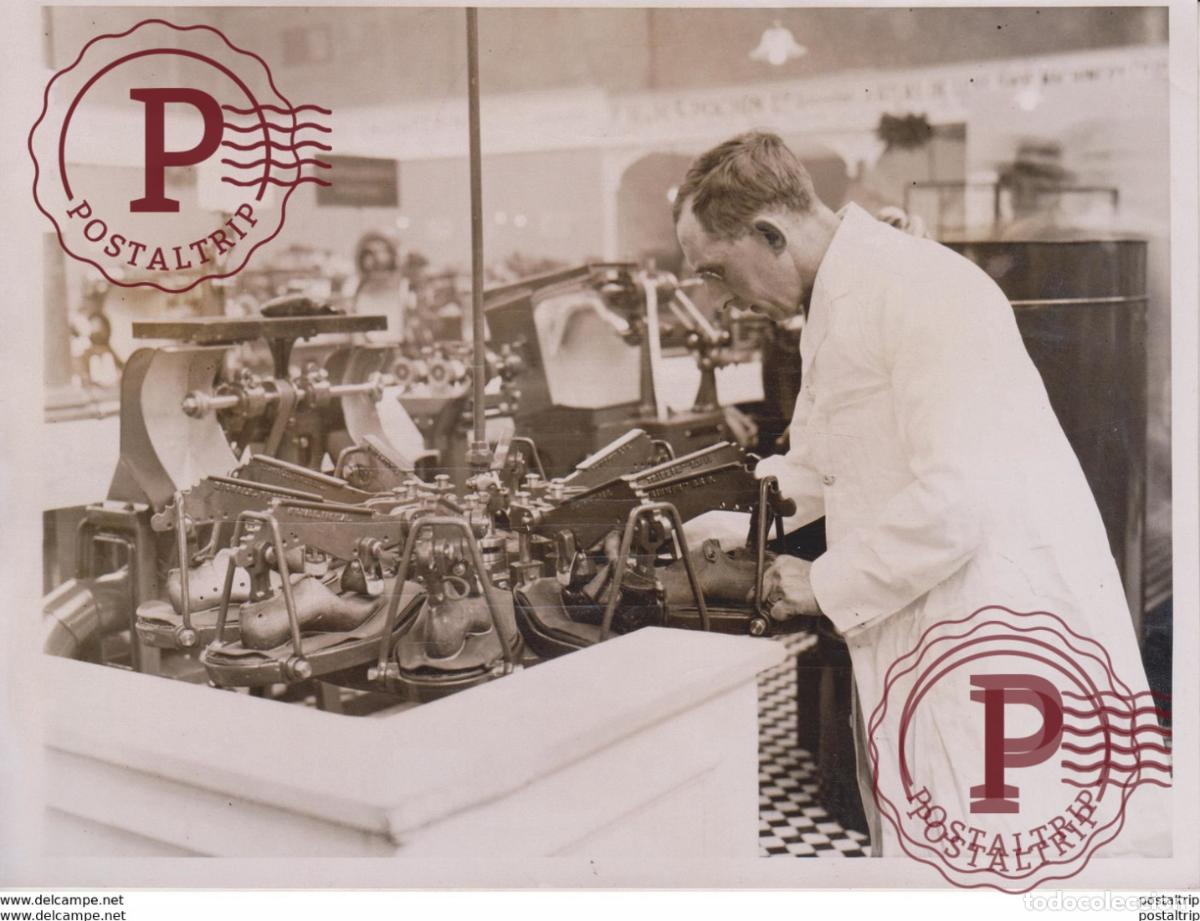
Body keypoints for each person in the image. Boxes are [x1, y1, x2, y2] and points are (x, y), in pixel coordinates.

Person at [672, 131, 1165, 855]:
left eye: (716, 271)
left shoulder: (920, 288)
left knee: (1001, 868)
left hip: (999, 640)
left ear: (770, 233)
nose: (722, 298)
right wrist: (710, 519)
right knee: (931, 852)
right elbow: (817, 462)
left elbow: (959, 500)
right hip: (932, 631)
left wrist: (821, 580)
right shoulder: (838, 296)